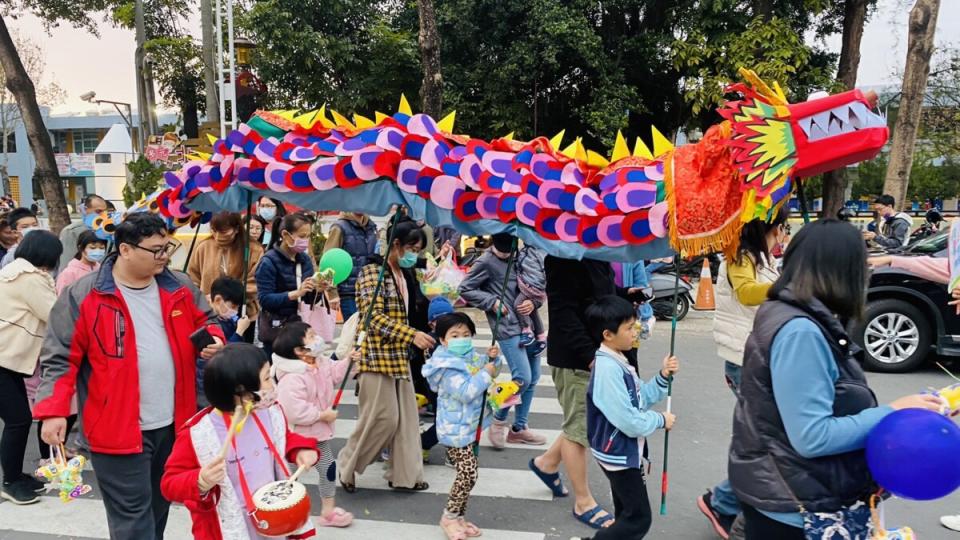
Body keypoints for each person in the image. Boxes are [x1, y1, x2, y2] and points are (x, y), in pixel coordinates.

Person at [728, 220, 943, 539]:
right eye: (863, 265)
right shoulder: (801, 331)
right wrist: (893, 411)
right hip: (796, 504)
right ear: (843, 270)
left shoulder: (791, 311)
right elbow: (813, 436)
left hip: (788, 488)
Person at [34, 212, 226, 540]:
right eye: (156, 250)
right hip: (115, 427)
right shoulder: (85, 295)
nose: (164, 256)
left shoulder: (177, 286)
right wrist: (54, 411)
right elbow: (60, 357)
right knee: (132, 519)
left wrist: (213, 337)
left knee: (159, 505)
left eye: (168, 248)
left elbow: (205, 319)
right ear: (124, 250)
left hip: (174, 424)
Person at [529, 256, 647, 530]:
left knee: (581, 422)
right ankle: (583, 502)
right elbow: (564, 314)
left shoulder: (597, 254)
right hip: (578, 360)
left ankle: (547, 464)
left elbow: (595, 298)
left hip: (601, 355)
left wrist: (623, 294)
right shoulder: (563, 258)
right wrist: (591, 357)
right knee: (580, 430)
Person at [160, 343, 320, 540]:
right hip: (226, 528)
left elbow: (282, 439)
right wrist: (200, 480)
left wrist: (301, 450)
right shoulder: (199, 433)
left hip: (275, 519)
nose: (272, 384)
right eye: (267, 378)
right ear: (241, 391)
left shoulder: (270, 412)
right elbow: (169, 484)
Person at [698, 210, 788, 539]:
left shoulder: (759, 256)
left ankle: (725, 500)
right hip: (744, 358)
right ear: (769, 227)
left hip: (757, 356)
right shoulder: (739, 255)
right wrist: (790, 284)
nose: (782, 234)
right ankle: (722, 501)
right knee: (766, 441)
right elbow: (748, 293)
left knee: (766, 439)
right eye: (781, 227)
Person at [337, 217, 435, 493]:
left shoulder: (405, 274)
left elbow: (411, 312)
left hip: (400, 357)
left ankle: (405, 476)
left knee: (407, 421)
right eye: (412, 248)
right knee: (382, 419)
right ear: (395, 245)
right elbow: (372, 318)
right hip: (376, 357)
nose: (415, 254)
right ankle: (347, 466)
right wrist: (411, 335)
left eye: (418, 249)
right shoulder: (372, 272)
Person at [577, 295, 678, 540]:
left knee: (625, 513)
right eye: (629, 328)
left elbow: (639, 397)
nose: (636, 332)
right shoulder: (608, 370)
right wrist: (660, 420)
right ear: (607, 335)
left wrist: (663, 376)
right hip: (618, 453)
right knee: (638, 519)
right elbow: (629, 420)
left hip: (620, 451)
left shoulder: (618, 360)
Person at [459, 233, 547, 447]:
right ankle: (498, 419)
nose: (506, 255)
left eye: (510, 250)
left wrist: (533, 303)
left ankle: (519, 428)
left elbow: (534, 285)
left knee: (534, 377)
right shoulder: (486, 261)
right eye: (503, 251)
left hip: (530, 324)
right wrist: (491, 302)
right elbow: (465, 289)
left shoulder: (522, 256)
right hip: (508, 326)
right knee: (523, 377)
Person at [422, 312, 502, 540]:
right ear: (443, 340)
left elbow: (491, 369)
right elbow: (466, 392)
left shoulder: (470, 356)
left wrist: (493, 360)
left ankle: (458, 517)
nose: (462, 338)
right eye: (455, 335)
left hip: (470, 426)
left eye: (466, 334)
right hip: (453, 430)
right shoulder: (445, 365)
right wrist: (486, 373)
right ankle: (448, 517)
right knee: (467, 472)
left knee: (470, 474)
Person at [273, 322, 355, 528]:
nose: (317, 338)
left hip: (319, 436)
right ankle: (284, 510)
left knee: (328, 468)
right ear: (299, 351)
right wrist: (322, 415)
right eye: (311, 336)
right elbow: (294, 411)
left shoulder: (320, 361)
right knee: (290, 476)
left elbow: (335, 374)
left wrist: (348, 361)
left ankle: (327, 512)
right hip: (297, 439)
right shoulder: (292, 377)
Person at [0, 230, 61, 504]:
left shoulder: (18, 270)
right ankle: (10, 481)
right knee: (18, 419)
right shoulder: (29, 278)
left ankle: (16, 475)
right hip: (3, 358)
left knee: (20, 417)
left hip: (9, 359)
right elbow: (55, 314)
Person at [255, 213, 318, 355]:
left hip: (300, 328)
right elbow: (265, 299)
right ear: (285, 235)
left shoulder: (305, 260)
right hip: (276, 330)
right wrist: (295, 294)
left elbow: (308, 300)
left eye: (308, 236)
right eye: (302, 236)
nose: (306, 241)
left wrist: (317, 290)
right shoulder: (268, 262)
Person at [187, 211, 264, 324]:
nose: (218, 236)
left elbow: (255, 283)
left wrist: (230, 301)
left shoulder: (254, 249)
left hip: (242, 312)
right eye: (214, 231)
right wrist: (205, 300)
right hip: (209, 312)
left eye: (224, 232)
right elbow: (193, 279)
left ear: (237, 229)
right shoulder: (204, 247)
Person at [323, 211, 379, 321]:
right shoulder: (339, 227)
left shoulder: (372, 227)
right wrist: (332, 292)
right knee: (353, 332)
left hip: (369, 290)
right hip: (348, 292)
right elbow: (329, 261)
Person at [59, 193, 108, 268]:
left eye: (104, 212)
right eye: (98, 211)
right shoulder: (72, 232)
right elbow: (66, 263)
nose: (102, 215)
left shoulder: (108, 230)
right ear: (86, 209)